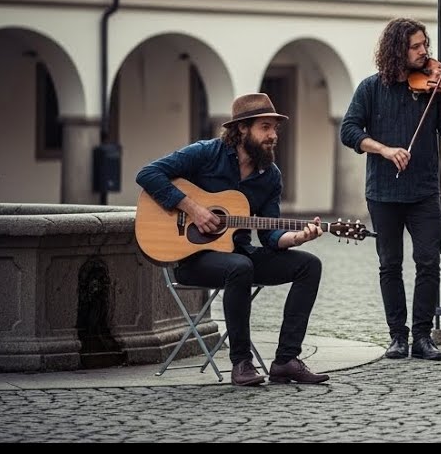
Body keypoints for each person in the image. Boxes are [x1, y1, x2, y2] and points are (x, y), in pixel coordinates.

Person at [136, 93, 330, 387]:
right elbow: (148, 174)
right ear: (242, 129)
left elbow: (270, 236)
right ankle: (242, 362)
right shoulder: (206, 153)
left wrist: (298, 238)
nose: (273, 136)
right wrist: (194, 209)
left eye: (275, 129)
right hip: (193, 258)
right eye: (265, 127)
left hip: (237, 254)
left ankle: (285, 361)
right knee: (240, 267)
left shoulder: (270, 176)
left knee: (308, 266)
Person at [339, 17, 441, 362]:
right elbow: (348, 131)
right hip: (382, 191)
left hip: (423, 189)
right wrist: (384, 149)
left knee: (428, 262)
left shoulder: (434, 89)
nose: (425, 52)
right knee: (389, 264)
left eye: (425, 45)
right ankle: (397, 337)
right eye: (416, 46)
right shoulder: (370, 89)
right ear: (397, 50)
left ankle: (423, 336)